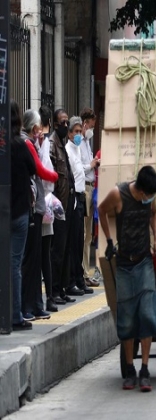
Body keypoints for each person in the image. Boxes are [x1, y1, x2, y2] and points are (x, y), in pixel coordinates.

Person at [98, 166, 156, 392]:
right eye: (149, 195)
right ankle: (129, 369)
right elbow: (101, 209)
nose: (150, 199)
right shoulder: (119, 194)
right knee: (126, 319)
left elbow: (154, 214)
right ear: (141, 190)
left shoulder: (150, 198)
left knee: (146, 314)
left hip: (144, 261)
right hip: (125, 264)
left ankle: (144, 369)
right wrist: (108, 240)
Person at [21, 109, 58, 321]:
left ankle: (35, 304)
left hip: (37, 208)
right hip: (32, 207)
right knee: (30, 261)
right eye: (37, 127)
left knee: (36, 260)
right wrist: (55, 176)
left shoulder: (33, 144)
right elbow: (41, 170)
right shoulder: (27, 144)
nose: (39, 131)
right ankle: (28, 305)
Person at [10, 100, 36, 331]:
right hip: (18, 212)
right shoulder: (20, 144)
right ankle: (15, 315)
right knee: (15, 264)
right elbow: (34, 169)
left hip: (3, 212)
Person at [49, 109, 78, 304]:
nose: (66, 126)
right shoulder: (52, 145)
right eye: (63, 122)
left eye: (67, 122)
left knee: (67, 249)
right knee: (57, 252)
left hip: (67, 204)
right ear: (55, 123)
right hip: (58, 205)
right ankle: (54, 290)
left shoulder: (63, 145)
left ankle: (62, 287)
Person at [66, 116, 94, 295]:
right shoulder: (68, 150)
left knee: (79, 240)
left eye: (79, 131)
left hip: (81, 197)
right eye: (75, 132)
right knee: (74, 241)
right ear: (69, 133)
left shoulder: (77, 148)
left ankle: (79, 279)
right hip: (74, 198)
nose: (77, 135)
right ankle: (71, 281)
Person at [38, 105, 58, 312]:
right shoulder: (41, 143)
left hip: (42, 206)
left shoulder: (41, 143)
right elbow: (49, 176)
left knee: (43, 254)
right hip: (41, 205)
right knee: (44, 254)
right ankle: (47, 298)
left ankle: (45, 298)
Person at [79, 108, 100, 287]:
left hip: (91, 188)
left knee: (88, 236)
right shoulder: (79, 142)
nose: (92, 128)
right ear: (85, 123)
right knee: (85, 233)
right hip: (84, 188)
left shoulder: (87, 142)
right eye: (91, 125)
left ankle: (86, 272)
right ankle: (84, 272)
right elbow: (78, 167)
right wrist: (91, 164)